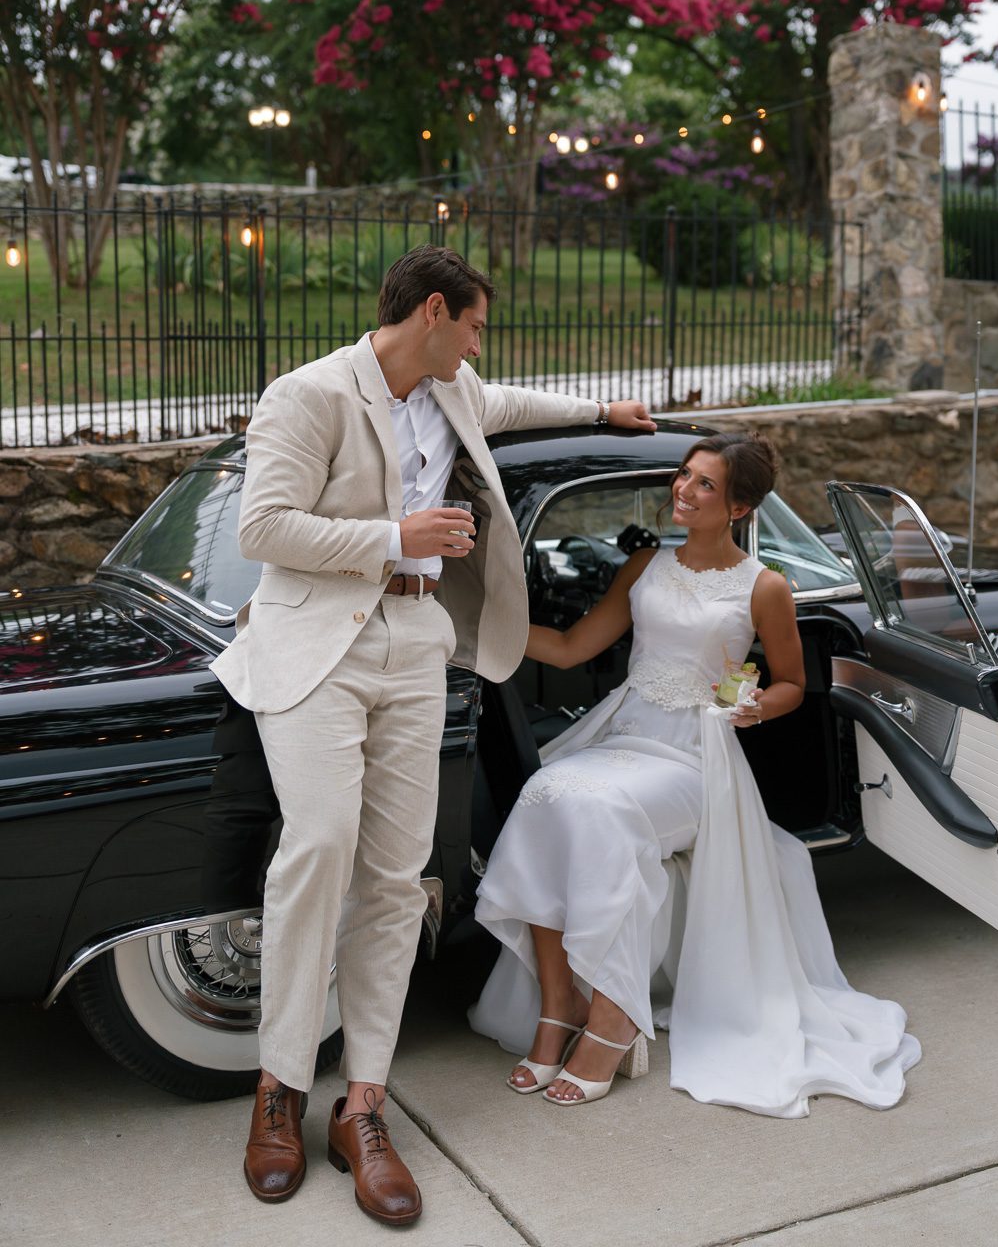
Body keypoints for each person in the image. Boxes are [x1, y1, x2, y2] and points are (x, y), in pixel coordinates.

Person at [209, 244, 654, 1225]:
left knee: (396, 873)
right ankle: (278, 1089)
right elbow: (261, 528)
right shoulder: (307, 393)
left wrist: (601, 412)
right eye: (477, 326)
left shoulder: (452, 390)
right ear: (436, 311)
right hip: (315, 643)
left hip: (415, 643)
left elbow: (512, 405)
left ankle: (361, 1103)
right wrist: (391, 536)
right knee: (317, 846)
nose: (481, 346)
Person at [469, 432, 921, 1116]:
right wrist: (469, 627)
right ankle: (558, 1005)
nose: (683, 490)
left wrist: (753, 705)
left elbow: (793, 683)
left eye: (704, 484)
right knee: (542, 794)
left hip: (696, 757)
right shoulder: (644, 565)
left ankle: (614, 1021)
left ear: (738, 506)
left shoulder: (764, 586)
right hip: (625, 733)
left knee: (598, 810)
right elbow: (568, 648)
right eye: (683, 476)